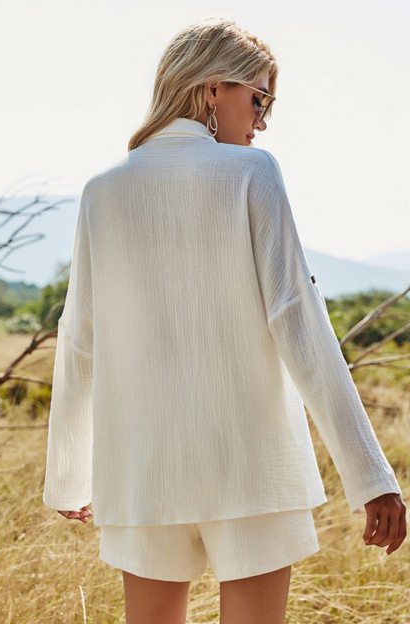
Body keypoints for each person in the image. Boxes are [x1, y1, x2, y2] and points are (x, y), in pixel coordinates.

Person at [42, 17, 407, 624]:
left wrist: (69, 477)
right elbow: (300, 322)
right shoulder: (251, 172)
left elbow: (79, 339)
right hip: (251, 467)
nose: (262, 121)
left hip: (143, 473)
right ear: (213, 89)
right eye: (259, 99)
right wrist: (371, 477)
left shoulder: (102, 192)